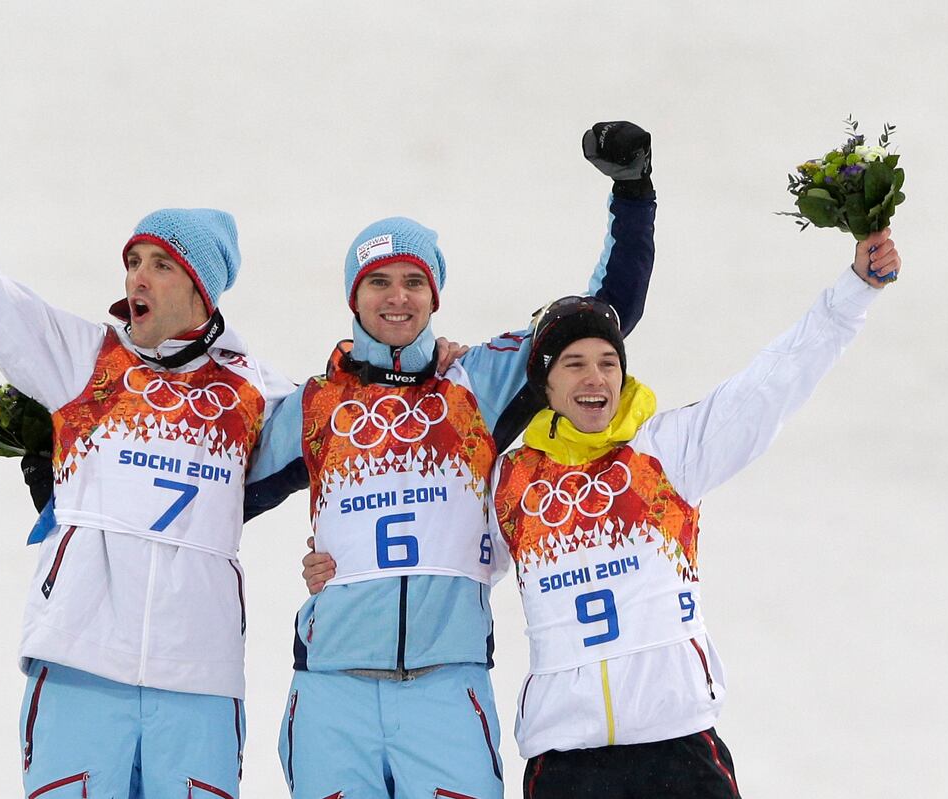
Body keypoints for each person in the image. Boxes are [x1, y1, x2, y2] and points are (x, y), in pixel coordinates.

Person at [0, 76, 294, 799]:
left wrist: (446, 365)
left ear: (202, 290)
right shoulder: (82, 359)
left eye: (160, 263)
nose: (136, 275)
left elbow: (362, 435)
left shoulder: (256, 393)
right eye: (133, 260)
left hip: (199, 681)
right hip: (79, 665)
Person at [247, 122, 658, 798]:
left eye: (414, 280)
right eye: (378, 281)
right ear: (354, 296)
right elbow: (211, 486)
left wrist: (633, 192)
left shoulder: (477, 383)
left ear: (435, 294)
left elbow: (603, 316)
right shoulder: (317, 404)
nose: (397, 297)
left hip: (447, 688)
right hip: (331, 692)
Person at [487, 230, 900, 797]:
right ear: (545, 384)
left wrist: (853, 293)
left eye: (608, 362)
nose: (595, 378)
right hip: (566, 759)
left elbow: (773, 384)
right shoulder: (509, 483)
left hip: (678, 748)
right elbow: (443, 568)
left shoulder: (668, 451)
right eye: (575, 364)